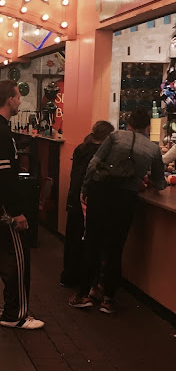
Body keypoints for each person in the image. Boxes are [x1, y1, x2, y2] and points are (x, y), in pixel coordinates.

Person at [72, 108, 166, 313]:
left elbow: (93, 164)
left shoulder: (115, 136)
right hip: (126, 200)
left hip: (101, 194)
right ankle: (108, 300)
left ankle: (83, 295)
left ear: (129, 122)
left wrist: (85, 188)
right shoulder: (153, 148)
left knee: (92, 243)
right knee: (115, 248)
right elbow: (160, 182)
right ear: (148, 126)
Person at [0, 80, 44, 329]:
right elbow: (2, 176)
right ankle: (16, 314)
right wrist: (16, 212)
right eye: (17, 97)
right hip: (2, 206)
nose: (20, 101)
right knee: (17, 256)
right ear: (11, 99)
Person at [60, 120, 114, 288]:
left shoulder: (80, 148)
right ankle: (86, 280)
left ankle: (68, 275)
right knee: (88, 242)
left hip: (74, 197)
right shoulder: (103, 154)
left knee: (72, 238)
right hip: (89, 200)